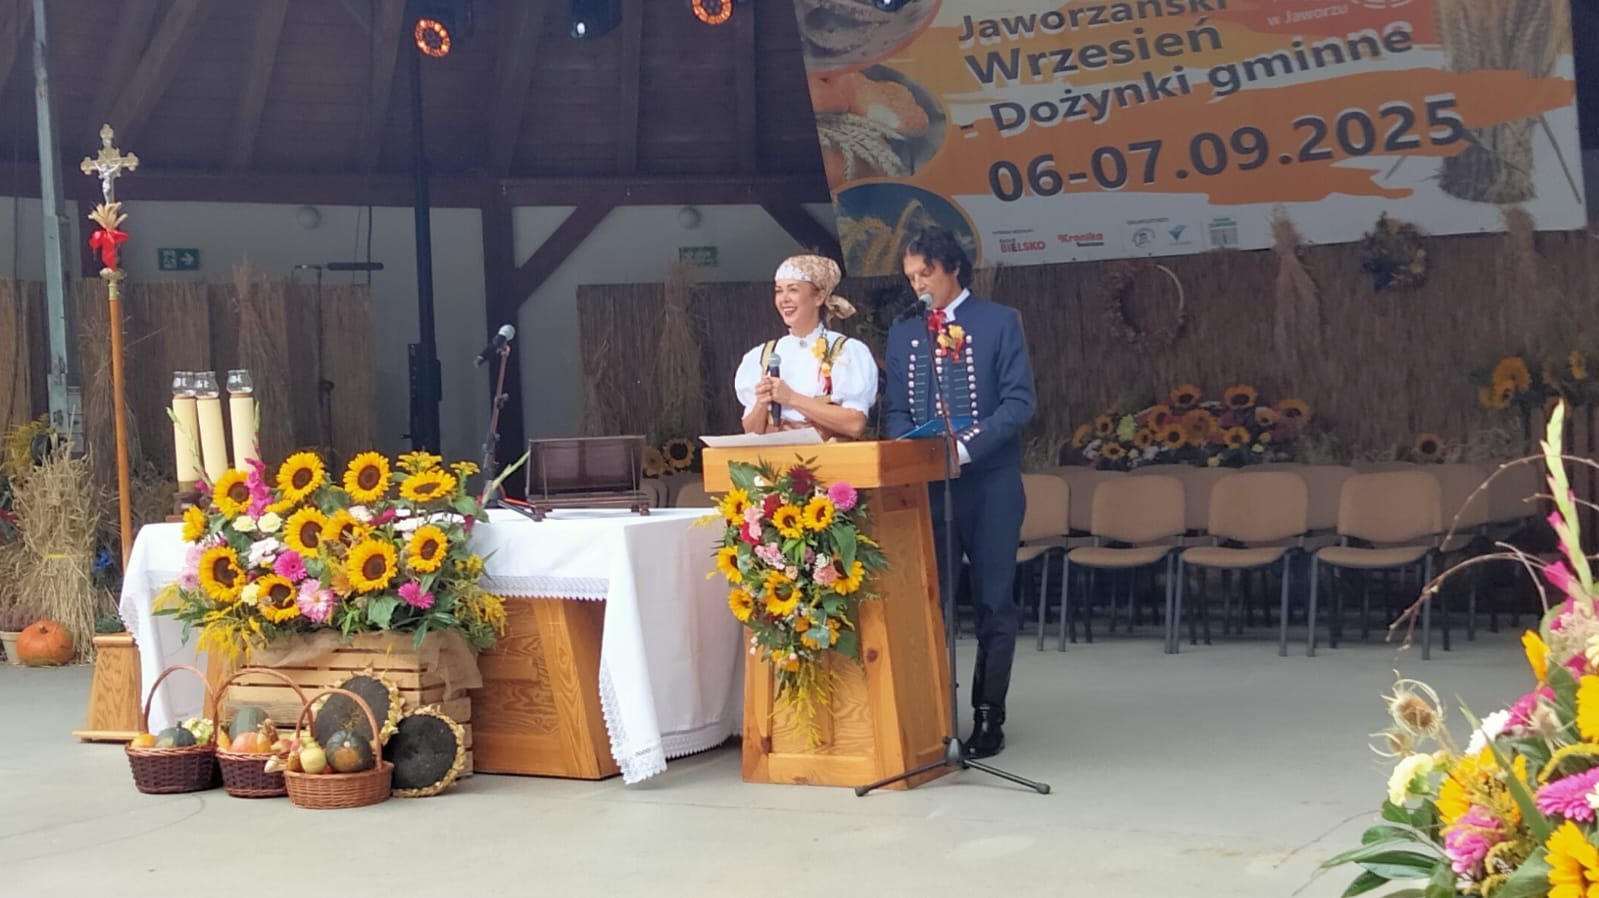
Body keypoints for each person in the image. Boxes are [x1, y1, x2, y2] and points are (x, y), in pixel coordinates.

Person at [883, 225, 1036, 760]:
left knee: (994, 601)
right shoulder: (904, 332)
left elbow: (1018, 404)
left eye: (925, 273)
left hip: (989, 482)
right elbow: (897, 409)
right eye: (910, 277)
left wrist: (964, 448)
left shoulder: (998, 321)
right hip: (930, 485)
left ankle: (989, 715)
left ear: (952, 268)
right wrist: (916, 451)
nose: (918, 285)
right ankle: (936, 713)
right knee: (932, 600)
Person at [735, 254, 879, 441]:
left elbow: (855, 424)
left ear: (819, 297)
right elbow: (751, 433)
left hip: (827, 458)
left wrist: (791, 398)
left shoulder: (845, 351)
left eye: (793, 290)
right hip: (775, 458)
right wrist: (762, 403)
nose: (784, 299)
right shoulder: (763, 354)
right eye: (779, 291)